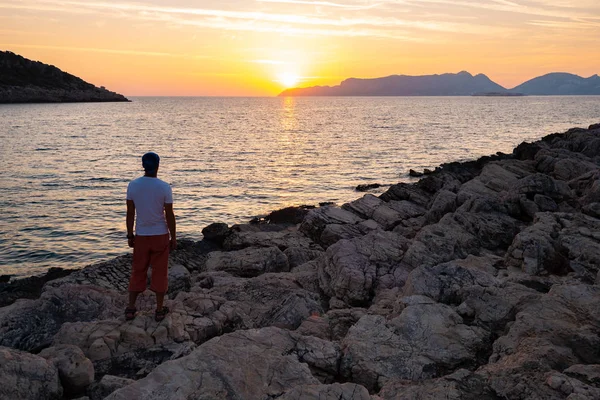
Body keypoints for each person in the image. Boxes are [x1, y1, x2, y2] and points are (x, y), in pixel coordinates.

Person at [125, 152, 176, 322]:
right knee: (160, 272)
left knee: (138, 270)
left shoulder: (133, 185)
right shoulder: (164, 187)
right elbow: (169, 215)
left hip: (142, 235)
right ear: (158, 166)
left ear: (143, 165)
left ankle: (131, 308)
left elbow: (130, 213)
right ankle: (159, 309)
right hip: (160, 235)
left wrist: (130, 234)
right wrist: (173, 237)